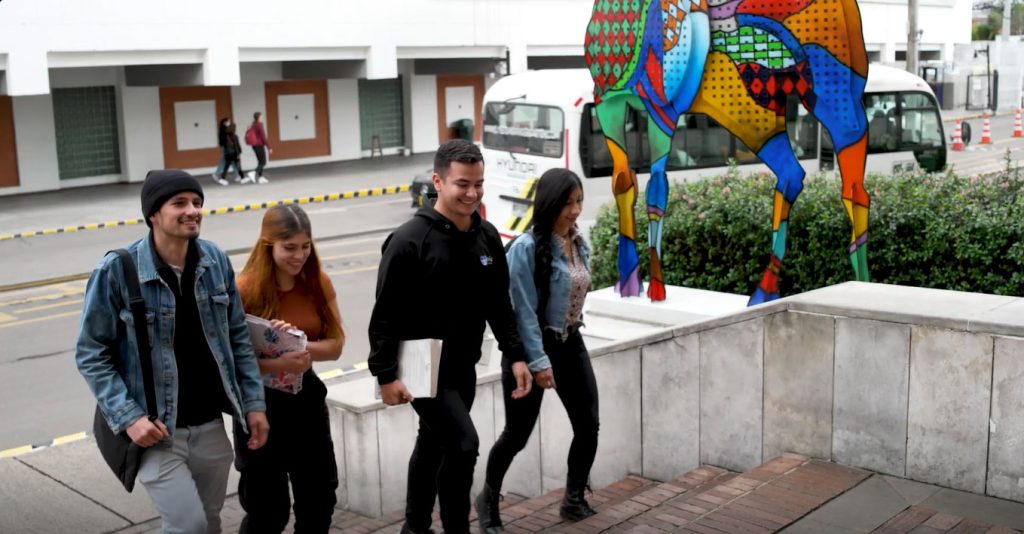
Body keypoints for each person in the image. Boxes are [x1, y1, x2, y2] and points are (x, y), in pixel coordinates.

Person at [75, 169, 269, 533]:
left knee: (209, 524)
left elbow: (238, 337)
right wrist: (130, 418)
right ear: (153, 214)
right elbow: (90, 353)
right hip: (158, 431)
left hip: (211, 427)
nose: (192, 210)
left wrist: (254, 403)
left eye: (197, 203)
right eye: (179, 203)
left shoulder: (215, 261)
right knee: (189, 525)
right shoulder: (118, 270)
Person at [368, 139, 532, 534]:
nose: (472, 193)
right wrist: (385, 374)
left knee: (433, 444)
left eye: (479, 183)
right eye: (463, 184)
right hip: (424, 369)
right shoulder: (409, 240)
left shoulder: (487, 236)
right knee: (464, 445)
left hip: (463, 366)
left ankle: (415, 526)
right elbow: (384, 314)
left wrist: (517, 354)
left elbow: (499, 305)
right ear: (438, 182)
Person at [476, 169, 600, 533]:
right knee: (517, 435)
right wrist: (538, 362)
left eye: (579, 201)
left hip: (570, 341)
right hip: (530, 352)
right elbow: (522, 312)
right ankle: (487, 499)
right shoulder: (526, 248)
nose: (575, 210)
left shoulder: (577, 241)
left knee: (588, 425)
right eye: (567, 203)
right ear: (549, 204)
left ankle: (574, 499)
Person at [233, 204, 345, 533]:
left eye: (306, 246)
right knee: (268, 511)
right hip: (259, 406)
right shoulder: (244, 290)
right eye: (290, 248)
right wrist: (277, 360)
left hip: (306, 401)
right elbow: (230, 362)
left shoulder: (317, 282)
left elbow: (336, 345)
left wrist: (296, 344)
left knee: (319, 501)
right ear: (269, 246)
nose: (299, 256)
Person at [246, 111, 271, 184]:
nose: (262, 118)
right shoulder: (259, 125)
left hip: (254, 145)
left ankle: (260, 177)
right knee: (263, 162)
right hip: (259, 145)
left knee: (260, 162)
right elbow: (263, 137)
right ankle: (253, 173)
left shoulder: (253, 124)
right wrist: (269, 147)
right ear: (258, 117)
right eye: (261, 116)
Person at [211, 118, 231, 186]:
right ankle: (216, 174)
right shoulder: (224, 130)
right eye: (228, 122)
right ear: (224, 123)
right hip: (225, 147)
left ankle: (238, 175)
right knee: (223, 161)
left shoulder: (224, 130)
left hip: (226, 147)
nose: (229, 123)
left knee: (231, 161)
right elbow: (224, 141)